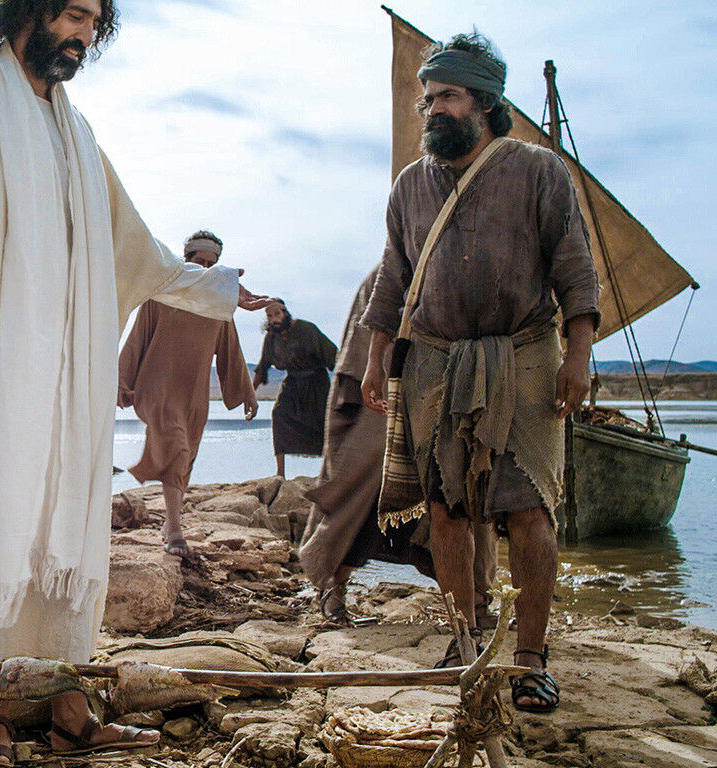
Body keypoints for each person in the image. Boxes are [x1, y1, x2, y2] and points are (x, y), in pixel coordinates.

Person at [0, 2, 271, 764]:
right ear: (29, 9)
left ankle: (70, 707)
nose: (83, 36)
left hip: (65, 380)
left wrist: (218, 288)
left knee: (58, 536)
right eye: (73, 15)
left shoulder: (78, 136)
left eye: (94, 23)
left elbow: (134, 248)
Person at [360, 33, 599, 713]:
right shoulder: (411, 185)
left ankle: (530, 659)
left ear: (486, 102)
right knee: (446, 510)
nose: (433, 109)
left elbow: (574, 267)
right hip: (435, 360)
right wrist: (376, 358)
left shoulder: (538, 170)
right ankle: (465, 641)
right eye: (428, 99)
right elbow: (393, 278)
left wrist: (579, 355)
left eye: (448, 97)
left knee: (529, 509)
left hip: (524, 355)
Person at [299, 269, 497, 628]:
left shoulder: (460, 265)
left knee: (459, 495)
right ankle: (333, 587)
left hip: (445, 393)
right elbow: (361, 348)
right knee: (363, 494)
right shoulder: (388, 275)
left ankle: (475, 602)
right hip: (381, 399)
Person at [118, 230, 258, 559]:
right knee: (176, 449)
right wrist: (121, 382)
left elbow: (231, 352)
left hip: (194, 395)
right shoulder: (161, 295)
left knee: (185, 458)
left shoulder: (218, 304)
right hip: (157, 388)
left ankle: (170, 524)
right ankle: (175, 531)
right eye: (199, 260)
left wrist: (247, 392)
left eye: (212, 263)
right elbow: (137, 339)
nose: (205, 268)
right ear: (186, 260)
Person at [252, 300, 337, 478]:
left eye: (277, 314)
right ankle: (280, 473)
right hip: (292, 382)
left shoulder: (307, 329)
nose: (273, 319)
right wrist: (251, 395)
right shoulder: (271, 338)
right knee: (279, 414)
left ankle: (329, 470)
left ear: (285, 312)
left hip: (316, 382)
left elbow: (333, 355)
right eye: (269, 316)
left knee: (324, 423)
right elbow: (262, 367)